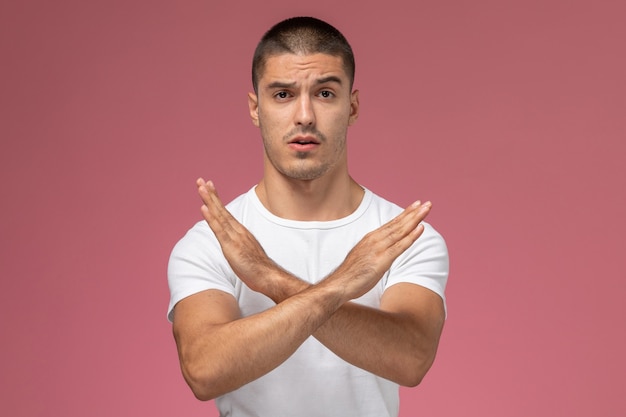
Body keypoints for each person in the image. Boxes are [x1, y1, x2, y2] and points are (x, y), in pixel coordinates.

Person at [167, 16, 449, 417]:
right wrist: (343, 283)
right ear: (255, 108)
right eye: (282, 94)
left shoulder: (402, 237)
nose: (304, 116)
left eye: (325, 93)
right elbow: (204, 370)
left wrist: (272, 281)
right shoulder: (213, 241)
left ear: (352, 106)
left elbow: (411, 358)